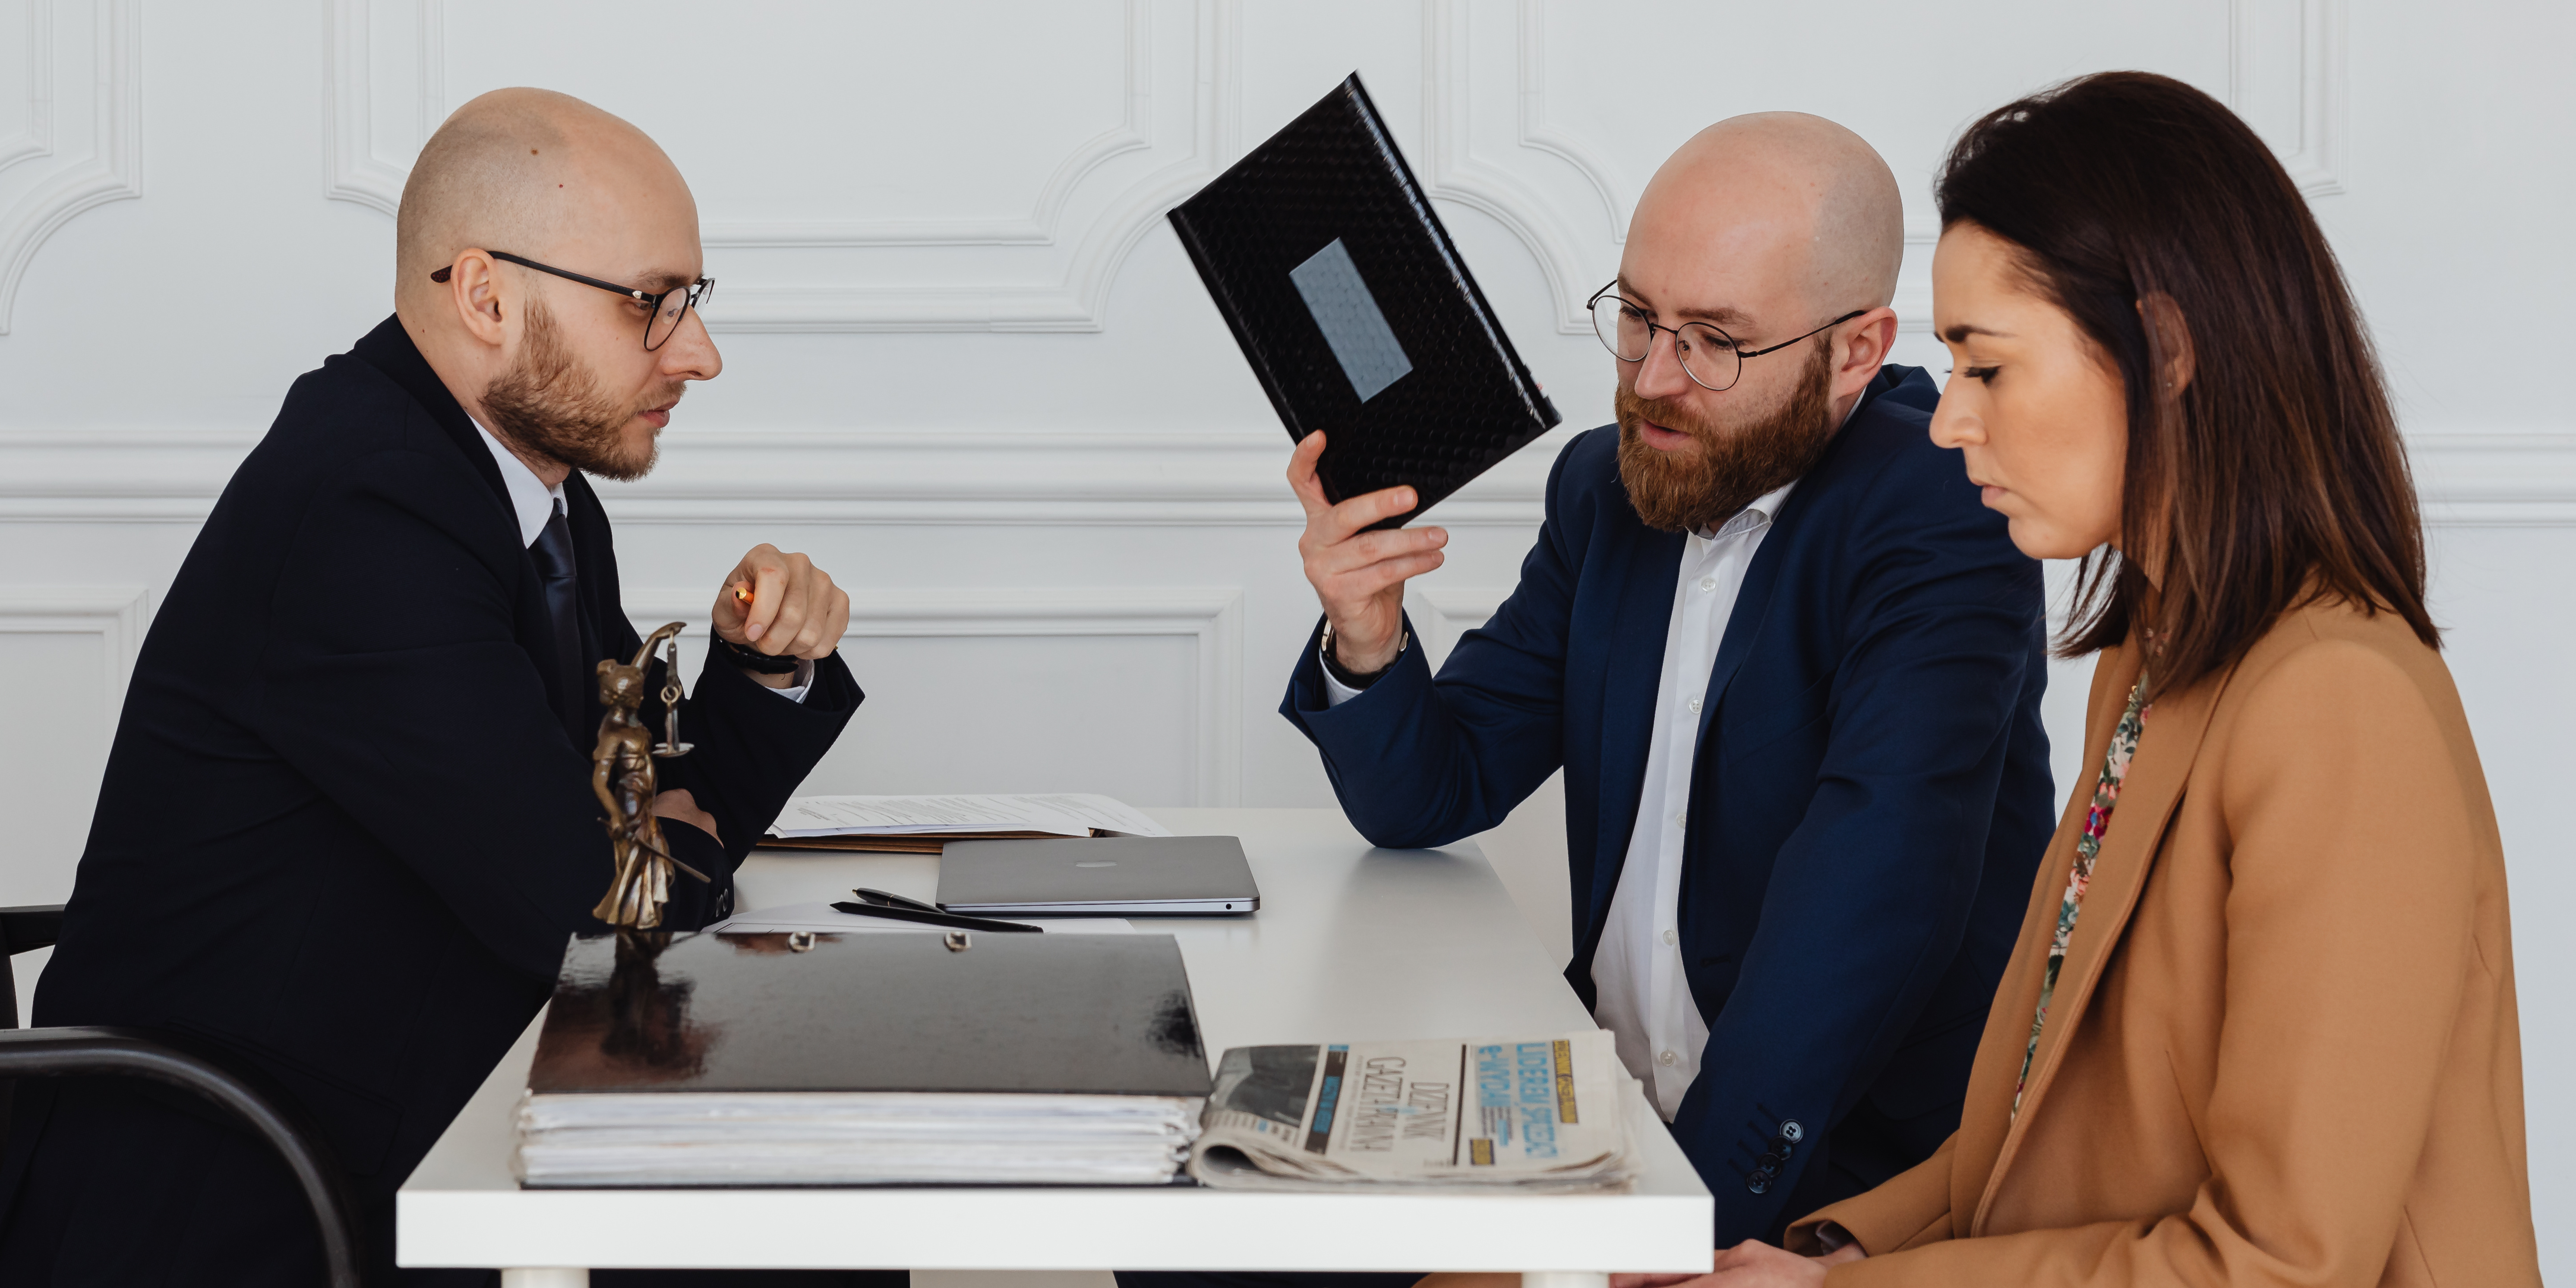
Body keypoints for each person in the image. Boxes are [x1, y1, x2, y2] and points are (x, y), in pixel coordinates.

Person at [1670, 72, 2540, 1286]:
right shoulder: (2160, 661)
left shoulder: (2341, 704)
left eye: (1987, 368)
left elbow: (2285, 1265)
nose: (1946, 422)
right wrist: (1823, 1248)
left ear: (2167, 350)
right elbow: (2033, 1114)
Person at [0, 90, 879, 1287]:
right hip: (249, 1187)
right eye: (650, 304)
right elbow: (604, 894)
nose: (698, 353)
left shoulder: (533, 490)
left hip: (431, 1091)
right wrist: (654, 844)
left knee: (824, 1215)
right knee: (813, 1228)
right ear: (485, 296)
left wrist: (764, 672)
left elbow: (637, 817)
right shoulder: (366, 507)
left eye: (694, 303)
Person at [1282, 111, 2055, 1256]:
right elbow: (1430, 793)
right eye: (1638, 316)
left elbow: (1868, 896)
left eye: (1712, 341)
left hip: (1824, 1174)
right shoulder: (1610, 487)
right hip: (1591, 1111)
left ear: (1854, 350)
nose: (1651, 378)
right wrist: (1367, 636)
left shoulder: (1940, 509)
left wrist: (1677, 1232)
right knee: (1208, 1233)